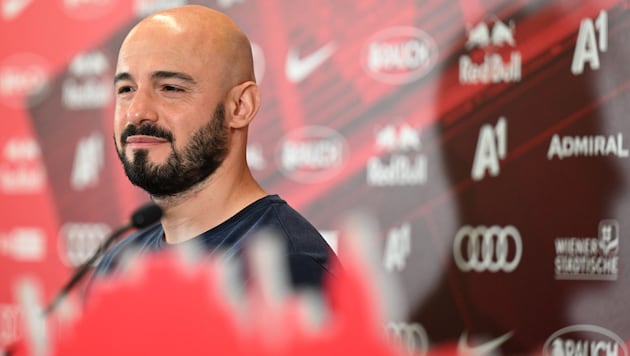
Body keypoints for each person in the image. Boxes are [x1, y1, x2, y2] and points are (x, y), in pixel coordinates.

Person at [92, 5, 337, 289]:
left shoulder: (285, 269)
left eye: (170, 88)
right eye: (126, 89)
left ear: (240, 107)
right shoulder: (118, 265)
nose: (136, 112)